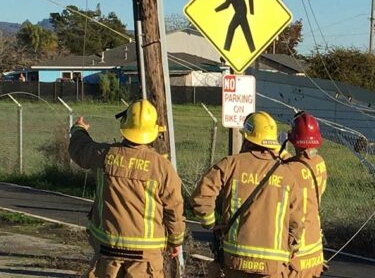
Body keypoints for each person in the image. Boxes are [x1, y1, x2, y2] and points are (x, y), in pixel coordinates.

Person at [68, 99, 186, 278]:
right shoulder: (161, 166)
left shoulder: (104, 155)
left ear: (124, 125)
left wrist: (78, 129)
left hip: (108, 250)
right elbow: (174, 207)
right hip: (145, 256)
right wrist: (175, 240)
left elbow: (80, 149)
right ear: (153, 131)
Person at [190, 111, 303, 278]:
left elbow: (201, 197)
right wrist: (290, 248)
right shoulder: (287, 175)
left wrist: (211, 223)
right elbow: (297, 222)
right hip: (272, 263)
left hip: (236, 258)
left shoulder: (231, 164)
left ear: (247, 138)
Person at [284, 112, 328, 278]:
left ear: (293, 139)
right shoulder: (320, 163)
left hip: (297, 252)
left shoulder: (288, 170)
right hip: (315, 248)